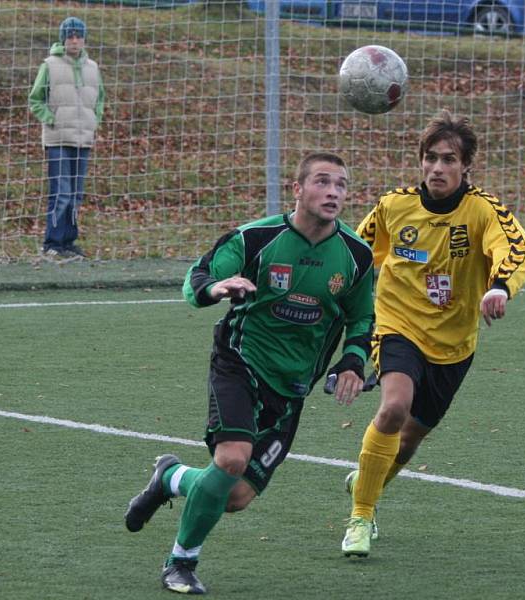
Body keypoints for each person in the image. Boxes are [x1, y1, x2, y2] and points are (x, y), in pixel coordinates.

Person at [124, 152, 375, 594]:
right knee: (232, 459)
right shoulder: (255, 239)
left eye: (341, 184)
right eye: (322, 181)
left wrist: (353, 361)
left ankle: (170, 477)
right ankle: (180, 562)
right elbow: (197, 277)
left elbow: (362, 318)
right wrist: (216, 287)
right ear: (297, 190)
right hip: (239, 362)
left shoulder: (355, 255)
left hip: (293, 386)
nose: (333, 191)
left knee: (236, 496)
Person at [340, 111, 525, 558]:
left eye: (448, 159)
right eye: (430, 158)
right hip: (397, 324)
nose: (437, 168)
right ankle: (361, 515)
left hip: (454, 344)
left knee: (408, 440)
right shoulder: (394, 206)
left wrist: (499, 287)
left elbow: (521, 250)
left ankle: (369, 479)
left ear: (466, 166)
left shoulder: (484, 211)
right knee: (393, 407)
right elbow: (354, 253)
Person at [28, 16, 105, 259]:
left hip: (83, 139)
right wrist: (51, 118)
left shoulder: (93, 67)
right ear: (63, 38)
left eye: (78, 35)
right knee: (60, 193)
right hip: (58, 139)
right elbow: (35, 99)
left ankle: (68, 241)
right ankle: (51, 242)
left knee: (76, 194)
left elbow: (100, 98)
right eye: (69, 35)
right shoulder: (49, 64)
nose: (74, 40)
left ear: (83, 39)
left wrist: (95, 120)